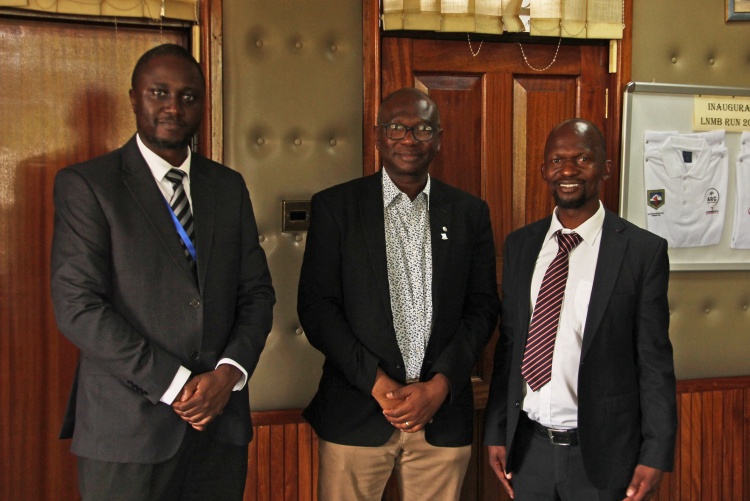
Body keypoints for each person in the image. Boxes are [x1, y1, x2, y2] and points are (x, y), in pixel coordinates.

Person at [50, 44, 275, 500]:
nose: (174, 106)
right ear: (134, 97)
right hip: (127, 430)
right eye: (159, 92)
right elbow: (78, 307)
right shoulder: (89, 185)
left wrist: (229, 373)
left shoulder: (228, 187)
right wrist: (176, 385)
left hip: (220, 425)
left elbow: (257, 294)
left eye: (188, 96)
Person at [297, 87, 499, 500]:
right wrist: (377, 384)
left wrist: (440, 385)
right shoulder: (336, 208)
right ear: (377, 136)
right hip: (357, 410)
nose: (409, 138)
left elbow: (482, 308)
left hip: (441, 417)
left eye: (423, 129)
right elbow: (317, 308)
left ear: (438, 138)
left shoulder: (469, 213)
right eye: (396, 127)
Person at [484, 118, 677, 501]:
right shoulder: (521, 246)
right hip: (529, 450)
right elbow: (509, 349)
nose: (568, 170)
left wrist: (656, 453)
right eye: (557, 161)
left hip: (604, 457)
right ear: (543, 171)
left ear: (605, 168)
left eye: (582, 158)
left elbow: (654, 362)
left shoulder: (641, 252)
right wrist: (497, 430)